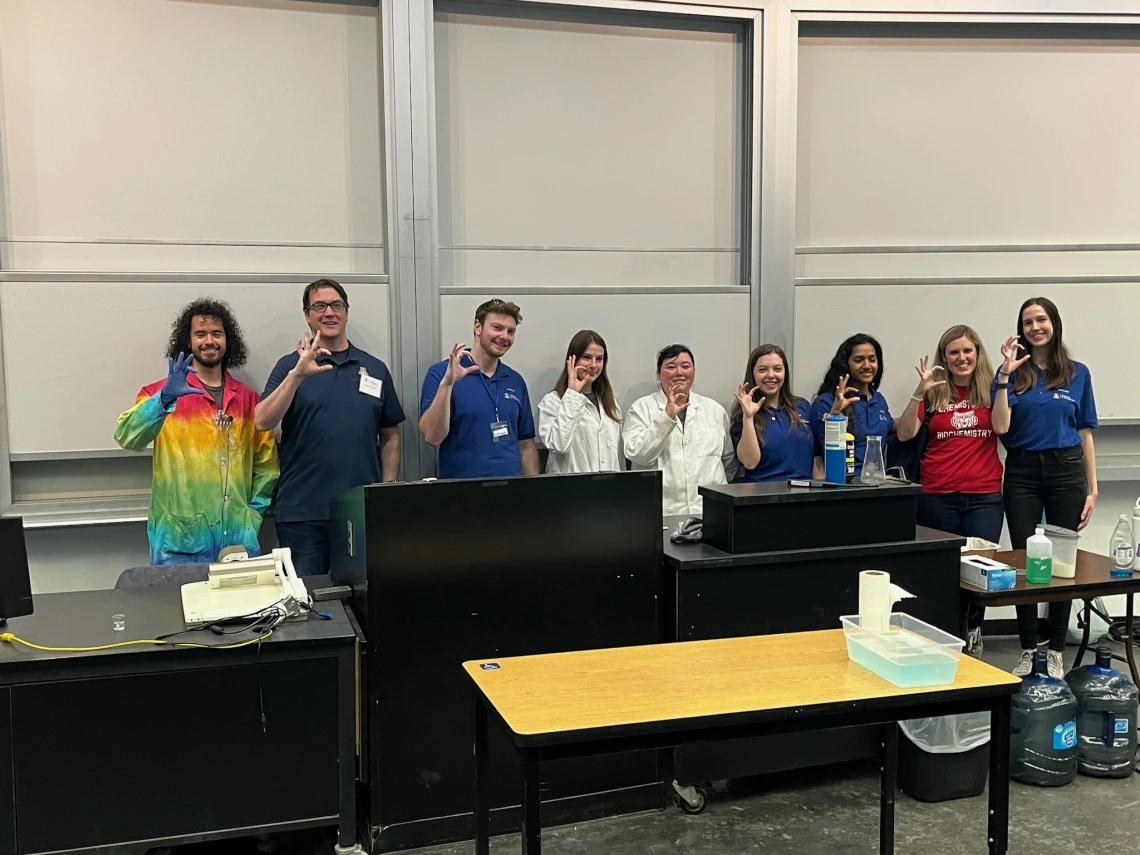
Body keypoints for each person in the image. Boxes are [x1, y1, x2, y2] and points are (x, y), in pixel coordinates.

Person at [256, 279, 404, 576]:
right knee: (310, 608)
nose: (329, 312)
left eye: (336, 305)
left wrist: (385, 492)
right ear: (307, 315)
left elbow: (390, 436)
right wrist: (297, 376)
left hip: (360, 513)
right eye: (319, 306)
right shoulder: (290, 366)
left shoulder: (374, 369)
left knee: (365, 606)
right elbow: (262, 420)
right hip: (303, 514)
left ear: (346, 312)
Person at [115, 298, 278, 565]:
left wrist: (251, 516)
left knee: (239, 607)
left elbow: (266, 467)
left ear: (228, 341)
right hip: (178, 544)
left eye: (216, 333)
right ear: (188, 342)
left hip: (238, 543)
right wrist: (164, 399)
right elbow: (127, 436)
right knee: (175, 607)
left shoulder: (249, 401)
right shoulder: (158, 393)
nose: (209, 341)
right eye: (200, 334)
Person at [895, 325, 1013, 657]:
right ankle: (944, 634)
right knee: (942, 571)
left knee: (980, 570)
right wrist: (919, 391)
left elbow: (1002, 427)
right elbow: (905, 434)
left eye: (967, 351)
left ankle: (973, 629)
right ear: (944, 358)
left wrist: (1003, 379)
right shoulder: (934, 393)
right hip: (937, 495)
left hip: (983, 496)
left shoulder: (993, 389)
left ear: (977, 353)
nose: (961, 358)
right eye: (953, 353)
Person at [999, 297, 1098, 679]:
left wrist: (1092, 487)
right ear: (1020, 329)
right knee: (1024, 559)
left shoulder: (1077, 373)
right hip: (1022, 470)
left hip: (1066, 469)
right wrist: (1006, 374)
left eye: (1041, 319)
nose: (1035, 327)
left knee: (1061, 562)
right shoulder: (1011, 373)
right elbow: (1002, 427)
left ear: (1053, 323)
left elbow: (1085, 432)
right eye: (1027, 322)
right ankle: (1028, 647)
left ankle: (1055, 647)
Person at [420, 299, 539, 479]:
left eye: (511, 331)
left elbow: (526, 444)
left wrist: (534, 491)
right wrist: (447, 385)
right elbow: (432, 437)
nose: (504, 337)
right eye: (497, 328)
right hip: (462, 495)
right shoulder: (442, 373)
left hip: (512, 494)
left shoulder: (515, 380)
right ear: (478, 327)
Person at [623, 344, 737, 517]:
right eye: (671, 367)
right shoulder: (641, 409)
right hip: (660, 512)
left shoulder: (714, 410)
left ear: (694, 371)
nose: (679, 372)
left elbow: (728, 462)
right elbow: (637, 455)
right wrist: (666, 417)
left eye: (685, 366)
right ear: (658, 374)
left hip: (709, 511)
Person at [730, 344, 818, 483]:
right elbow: (749, 462)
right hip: (762, 496)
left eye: (777, 369)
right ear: (753, 374)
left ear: (785, 373)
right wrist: (748, 417)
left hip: (803, 495)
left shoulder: (802, 406)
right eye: (763, 370)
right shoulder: (743, 413)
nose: (771, 375)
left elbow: (816, 459)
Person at [537, 330, 621, 474]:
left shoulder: (610, 403)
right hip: (571, 491)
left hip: (608, 491)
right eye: (587, 357)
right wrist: (573, 395)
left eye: (599, 359)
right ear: (572, 360)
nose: (593, 365)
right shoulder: (552, 402)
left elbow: (617, 457)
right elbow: (558, 445)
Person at [810, 334, 893, 477]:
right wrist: (835, 413)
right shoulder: (826, 401)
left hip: (876, 484)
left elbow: (891, 426)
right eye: (858, 360)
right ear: (846, 364)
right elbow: (824, 451)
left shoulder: (879, 400)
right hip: (844, 485)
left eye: (872, 359)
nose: (867, 366)